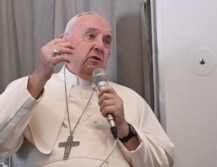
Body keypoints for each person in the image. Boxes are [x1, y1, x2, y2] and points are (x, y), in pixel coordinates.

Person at [0, 12, 174, 167]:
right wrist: (38, 77)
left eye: (106, 41)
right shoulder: (29, 87)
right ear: (64, 41)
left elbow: (162, 163)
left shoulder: (129, 98)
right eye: (90, 36)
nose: (100, 46)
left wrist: (124, 129)